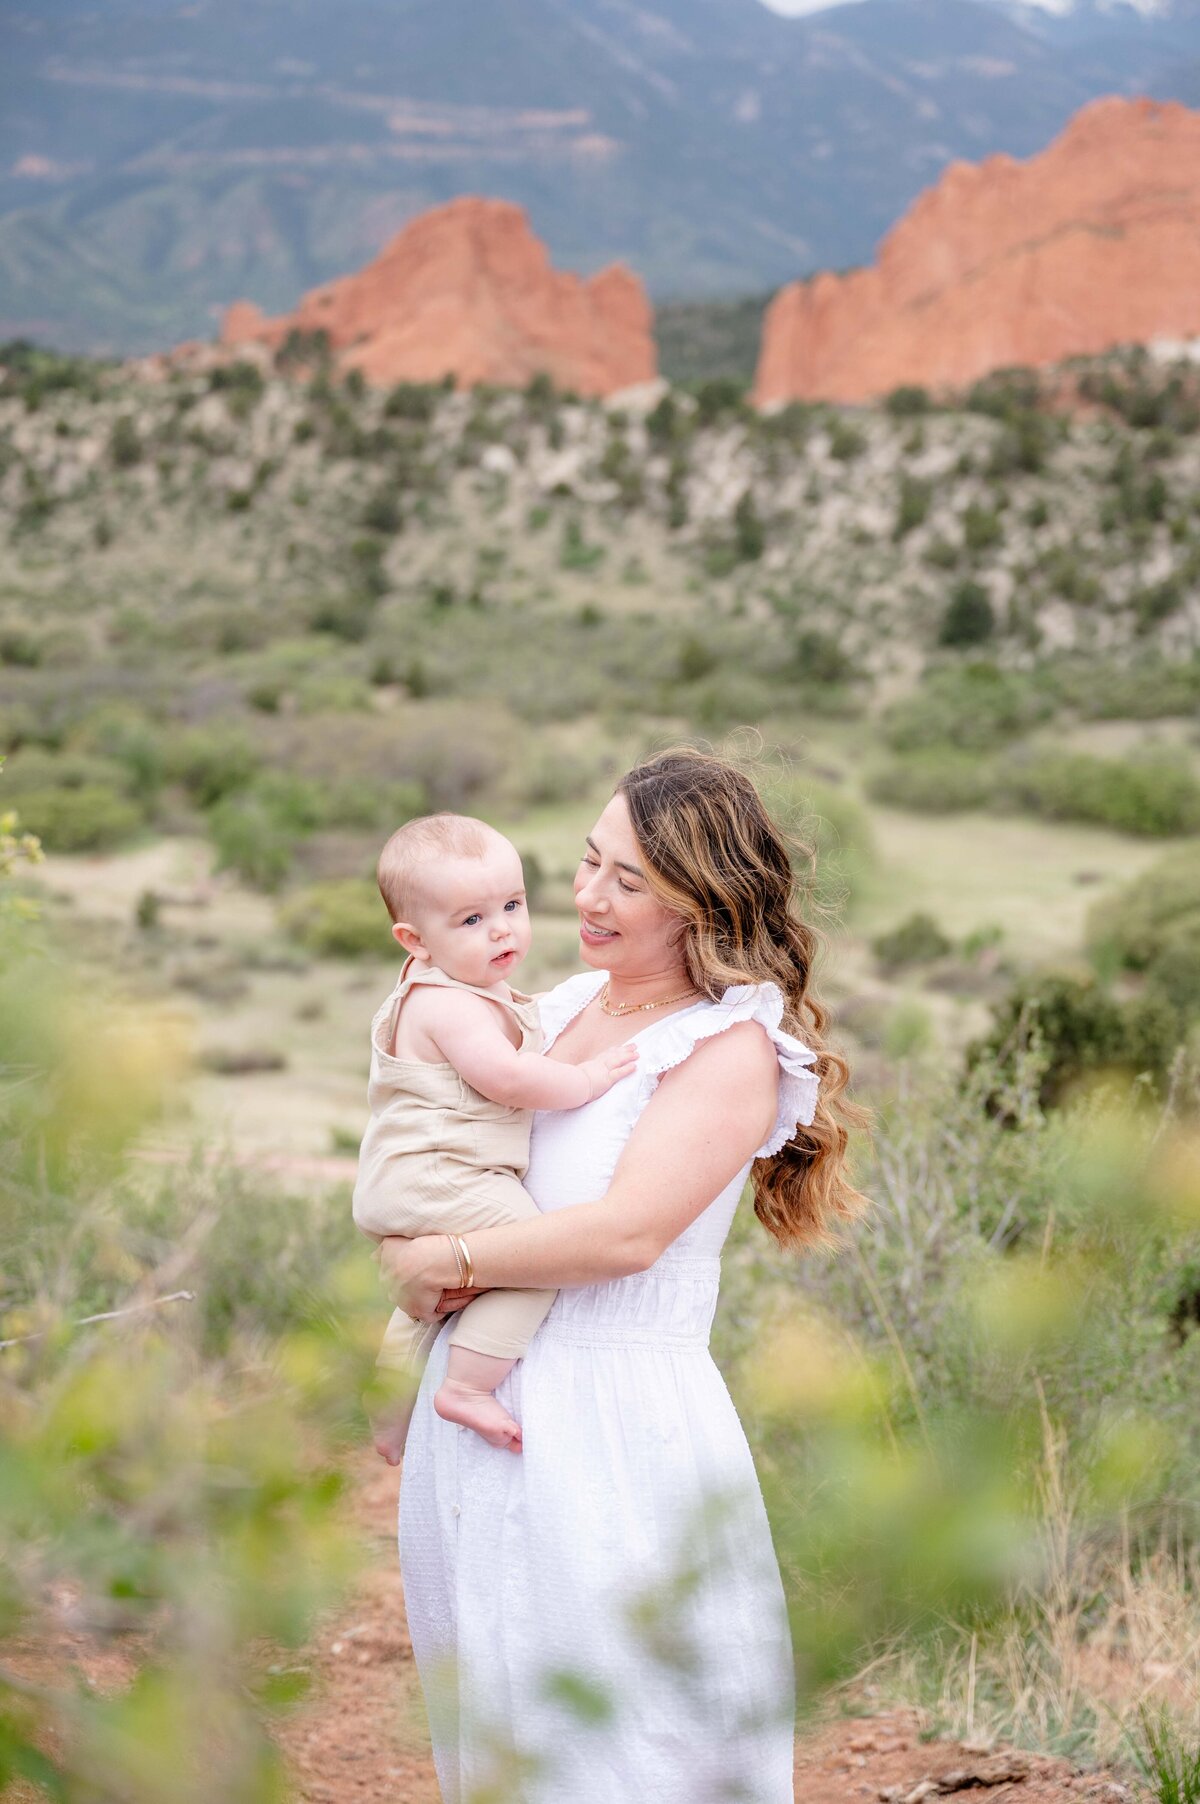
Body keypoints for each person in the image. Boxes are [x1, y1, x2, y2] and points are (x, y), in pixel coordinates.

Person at [379, 748, 868, 1804]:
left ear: (702, 900)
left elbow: (626, 1235)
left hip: (616, 1429)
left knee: (632, 1747)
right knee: (505, 1741)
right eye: (589, 862)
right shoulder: (549, 1012)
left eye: (629, 880)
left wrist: (448, 1260)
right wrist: (410, 1269)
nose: (587, 897)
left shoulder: (730, 1046)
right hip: (481, 1413)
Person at [353, 813, 637, 1459]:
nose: (503, 928)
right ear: (414, 939)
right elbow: (509, 1079)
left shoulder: (473, 989)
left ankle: (389, 1406)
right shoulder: (446, 1003)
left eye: (512, 904)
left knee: (432, 1299)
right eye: (472, 920)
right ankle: (468, 1387)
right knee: (531, 1261)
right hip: (437, 1175)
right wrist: (588, 1077)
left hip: (419, 1177)